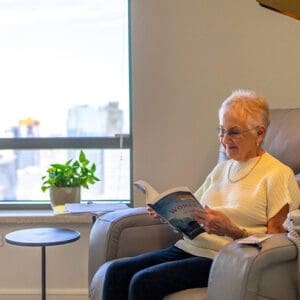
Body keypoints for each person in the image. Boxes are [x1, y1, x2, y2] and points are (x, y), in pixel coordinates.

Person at [102, 89, 300, 300]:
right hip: (189, 247)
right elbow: (193, 208)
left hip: (224, 258)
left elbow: (277, 242)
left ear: (259, 133)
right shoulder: (221, 170)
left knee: (143, 282)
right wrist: (166, 213)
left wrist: (233, 231)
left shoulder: (278, 174)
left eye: (233, 132)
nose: (224, 139)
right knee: (116, 272)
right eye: (221, 130)